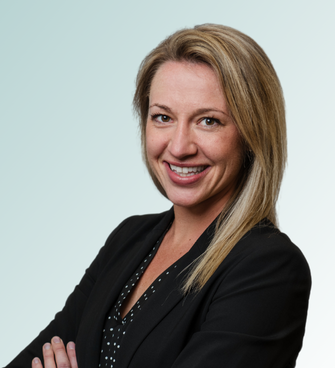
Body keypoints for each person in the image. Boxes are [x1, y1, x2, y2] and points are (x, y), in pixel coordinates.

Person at [5, 24, 311, 368]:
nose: (179, 147)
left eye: (208, 121)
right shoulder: (128, 238)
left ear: (253, 134)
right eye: (162, 117)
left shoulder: (269, 268)